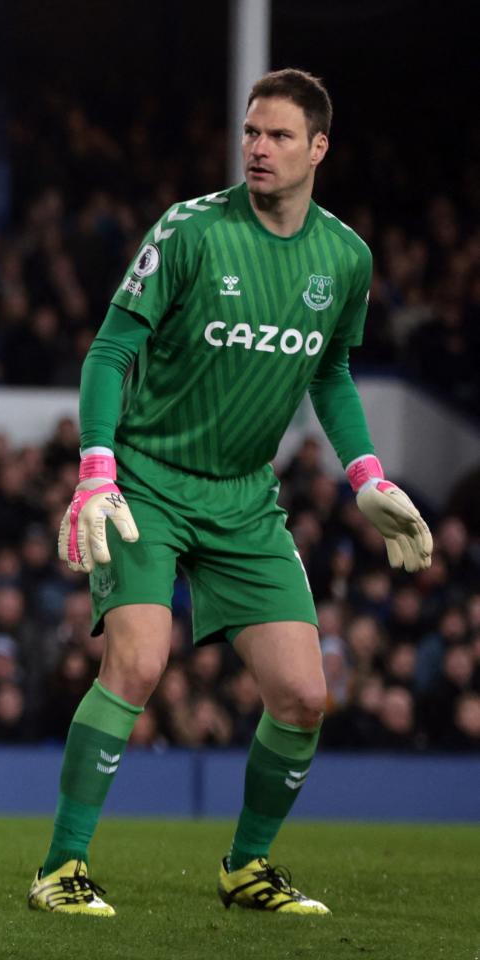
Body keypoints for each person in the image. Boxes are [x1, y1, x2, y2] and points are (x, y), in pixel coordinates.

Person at [29, 69, 433, 918]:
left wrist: (367, 476)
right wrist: (96, 467)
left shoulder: (346, 257)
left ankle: (246, 868)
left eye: (279, 135)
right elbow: (109, 351)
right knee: (138, 660)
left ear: (318, 148)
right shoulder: (190, 230)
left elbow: (333, 371)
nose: (257, 147)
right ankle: (61, 868)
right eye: (251, 132)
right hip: (148, 482)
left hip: (246, 499)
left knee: (303, 696)